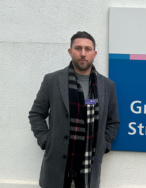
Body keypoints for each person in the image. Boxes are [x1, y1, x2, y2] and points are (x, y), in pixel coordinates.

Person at [29, 31, 120, 188]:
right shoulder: (52, 80)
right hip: (57, 164)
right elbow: (36, 114)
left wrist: (104, 144)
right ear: (70, 51)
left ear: (94, 53)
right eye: (78, 48)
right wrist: (46, 141)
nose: (83, 53)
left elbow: (113, 121)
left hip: (89, 164)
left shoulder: (107, 86)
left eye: (88, 49)